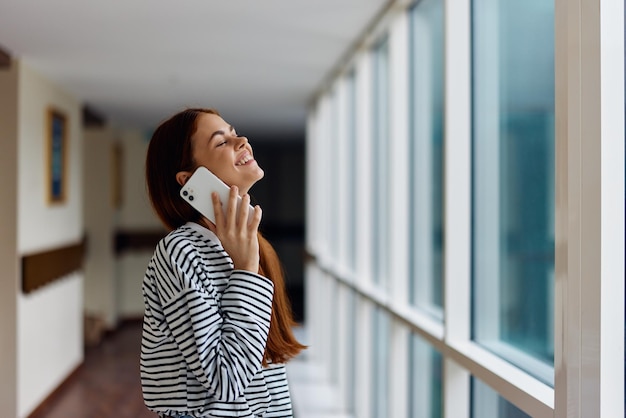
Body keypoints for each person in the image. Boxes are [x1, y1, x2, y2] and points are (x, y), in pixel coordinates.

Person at [141, 108, 305, 418]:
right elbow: (226, 380)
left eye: (234, 132)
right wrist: (245, 271)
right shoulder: (180, 252)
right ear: (189, 180)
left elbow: (267, 372)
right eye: (222, 141)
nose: (241, 140)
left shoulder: (251, 245)